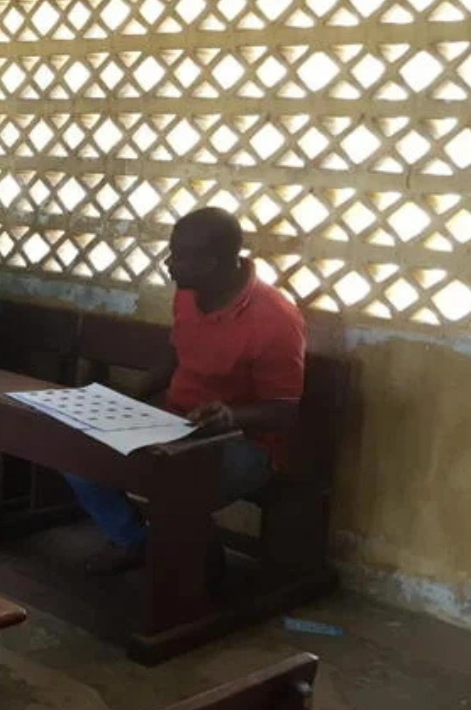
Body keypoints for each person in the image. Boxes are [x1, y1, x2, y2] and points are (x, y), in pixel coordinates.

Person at [65, 207, 306, 576]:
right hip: (171, 424)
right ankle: (134, 540)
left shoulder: (275, 319)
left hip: (243, 443)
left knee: (174, 484)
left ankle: (197, 576)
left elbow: (284, 412)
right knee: (78, 454)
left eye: (179, 256)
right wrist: (129, 396)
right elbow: (176, 353)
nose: (168, 263)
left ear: (212, 263)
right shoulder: (189, 293)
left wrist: (229, 416)